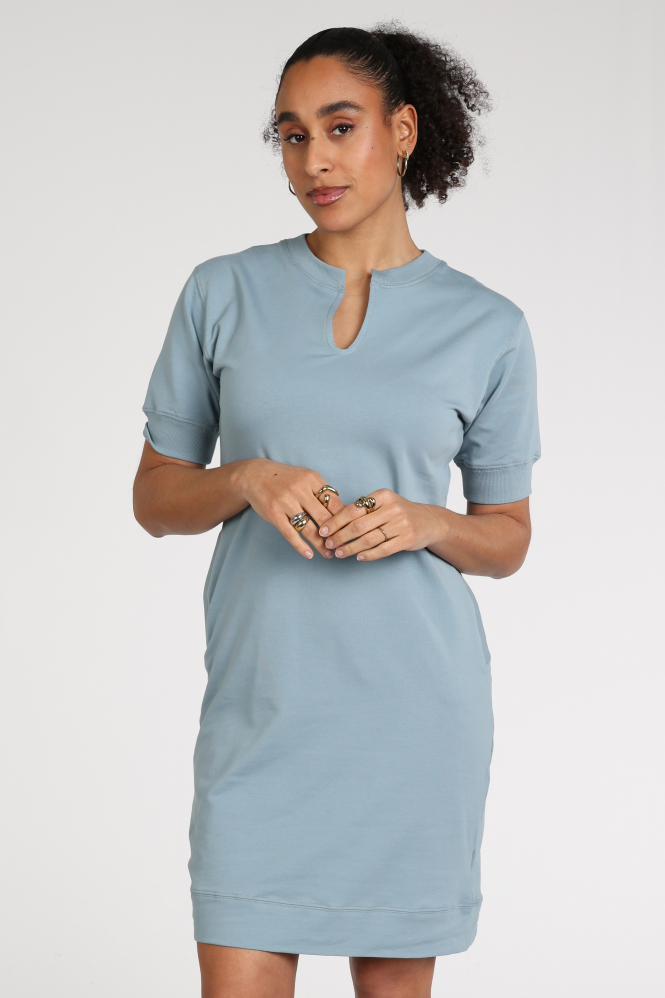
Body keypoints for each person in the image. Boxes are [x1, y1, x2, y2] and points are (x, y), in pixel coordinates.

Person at [133, 22, 541, 998]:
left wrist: (430, 522)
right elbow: (154, 498)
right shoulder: (221, 292)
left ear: (402, 132)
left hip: (413, 719)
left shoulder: (487, 325)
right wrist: (243, 477)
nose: (311, 158)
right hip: (261, 712)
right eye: (291, 134)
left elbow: (506, 537)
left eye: (340, 126)